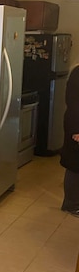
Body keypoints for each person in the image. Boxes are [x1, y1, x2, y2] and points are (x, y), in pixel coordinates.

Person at [60, 65, 79, 216]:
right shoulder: (78, 73)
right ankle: (71, 204)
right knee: (75, 164)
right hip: (76, 123)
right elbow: (74, 103)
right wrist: (76, 130)